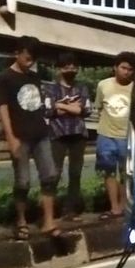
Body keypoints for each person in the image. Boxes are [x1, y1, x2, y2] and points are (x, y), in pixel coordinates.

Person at [0, 36, 59, 239]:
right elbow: (2, 109)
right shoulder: (5, 78)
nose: (31, 62)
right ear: (17, 53)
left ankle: (48, 221)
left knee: (50, 176)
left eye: (33, 59)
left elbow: (38, 105)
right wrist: (10, 138)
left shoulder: (34, 77)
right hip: (20, 136)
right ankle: (21, 220)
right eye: (28, 57)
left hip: (40, 134)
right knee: (23, 182)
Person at [44, 52, 91, 222]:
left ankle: (70, 209)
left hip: (78, 134)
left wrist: (61, 105)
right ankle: (50, 211)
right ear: (59, 69)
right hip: (58, 134)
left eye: (73, 66)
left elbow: (85, 110)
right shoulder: (51, 88)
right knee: (54, 173)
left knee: (75, 173)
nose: (70, 69)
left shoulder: (82, 88)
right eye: (66, 66)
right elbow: (49, 110)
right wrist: (72, 107)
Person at [94, 51, 135, 220]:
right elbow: (99, 108)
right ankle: (114, 207)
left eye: (130, 69)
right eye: (123, 67)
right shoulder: (103, 85)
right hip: (106, 135)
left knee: (127, 173)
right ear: (115, 67)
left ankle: (126, 206)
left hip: (127, 136)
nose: (126, 72)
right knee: (109, 172)